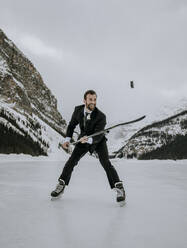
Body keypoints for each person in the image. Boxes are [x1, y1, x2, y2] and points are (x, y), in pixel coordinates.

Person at [51, 90, 126, 203]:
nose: (93, 102)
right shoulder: (78, 110)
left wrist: (89, 139)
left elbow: (99, 133)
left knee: (106, 163)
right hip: (82, 140)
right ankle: (61, 185)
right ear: (85, 100)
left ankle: (119, 188)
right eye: (90, 99)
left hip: (98, 141)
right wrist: (67, 139)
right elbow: (71, 126)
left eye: (95, 100)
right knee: (72, 161)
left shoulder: (101, 116)